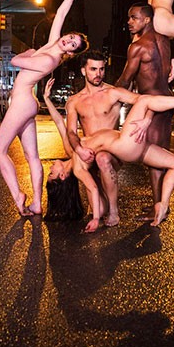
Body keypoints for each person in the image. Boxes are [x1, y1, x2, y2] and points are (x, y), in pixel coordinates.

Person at [0, 0, 88, 216]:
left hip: (23, 103)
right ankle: (36, 203)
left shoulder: (48, 59)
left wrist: (28, 52)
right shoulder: (52, 44)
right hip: (27, 102)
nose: (68, 41)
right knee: (32, 155)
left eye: (73, 44)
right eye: (71, 37)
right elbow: (61, 14)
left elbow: (15, 61)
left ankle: (18, 195)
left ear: (71, 53)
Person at [73, 93, 174, 232]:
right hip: (125, 145)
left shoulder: (77, 148)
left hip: (133, 145)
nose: (56, 166)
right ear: (62, 175)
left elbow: (66, 131)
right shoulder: (77, 166)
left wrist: (49, 101)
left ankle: (163, 204)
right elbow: (93, 188)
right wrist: (96, 218)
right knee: (144, 101)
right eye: (56, 171)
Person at [65, 52, 141, 227]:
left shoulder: (113, 93)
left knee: (103, 158)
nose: (98, 74)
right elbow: (71, 132)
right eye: (93, 69)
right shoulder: (74, 101)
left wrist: (145, 120)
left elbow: (142, 100)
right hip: (89, 152)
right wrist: (79, 150)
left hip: (111, 151)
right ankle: (101, 204)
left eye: (101, 69)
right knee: (98, 209)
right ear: (83, 71)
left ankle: (114, 212)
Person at [115, 2, 173, 221]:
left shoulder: (138, 47)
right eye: (129, 18)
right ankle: (161, 204)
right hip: (166, 100)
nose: (129, 22)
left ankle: (159, 208)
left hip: (152, 103)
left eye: (134, 18)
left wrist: (109, 94)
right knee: (161, 153)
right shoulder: (164, 40)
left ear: (147, 20)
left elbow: (125, 79)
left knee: (154, 158)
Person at [41, 77, 85, 222]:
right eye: (51, 173)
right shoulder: (82, 166)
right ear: (62, 175)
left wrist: (46, 99)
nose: (50, 167)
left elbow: (60, 122)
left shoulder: (70, 151)